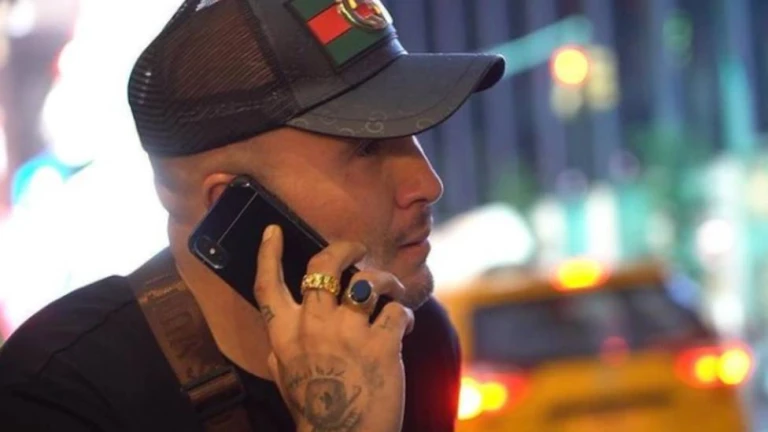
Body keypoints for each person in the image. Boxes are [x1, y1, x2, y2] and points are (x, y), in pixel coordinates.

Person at [0, 0, 505, 430]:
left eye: (411, 136)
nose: (427, 184)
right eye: (367, 149)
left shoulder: (412, 338)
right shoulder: (58, 391)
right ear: (228, 204)